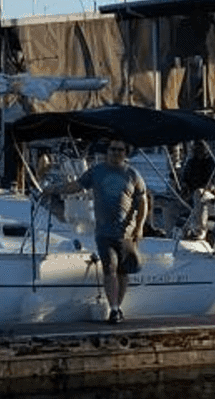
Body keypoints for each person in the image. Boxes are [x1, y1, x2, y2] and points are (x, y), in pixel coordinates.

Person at [45, 138, 151, 324]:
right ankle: (114, 309)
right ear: (107, 151)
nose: (116, 153)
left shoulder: (133, 175)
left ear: (125, 153)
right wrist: (54, 189)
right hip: (103, 231)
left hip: (126, 233)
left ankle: (119, 305)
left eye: (120, 150)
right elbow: (76, 186)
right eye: (112, 149)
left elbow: (143, 202)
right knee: (109, 268)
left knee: (123, 272)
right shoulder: (97, 171)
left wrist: (140, 227)